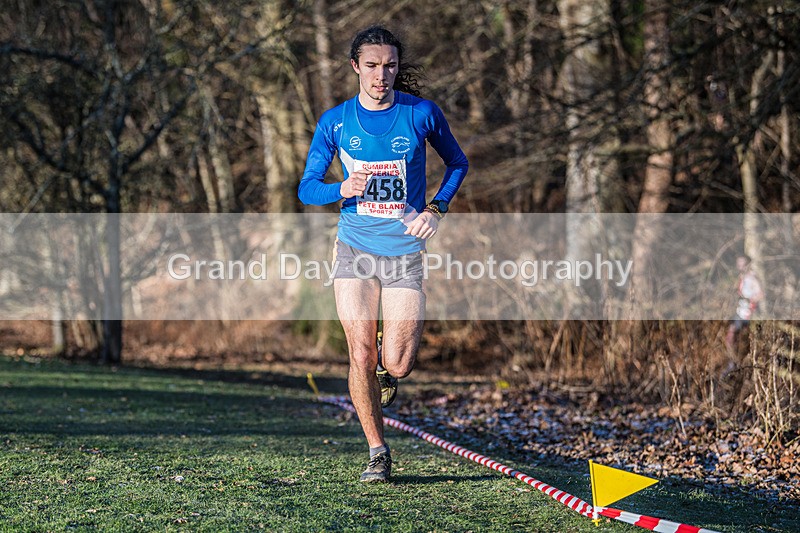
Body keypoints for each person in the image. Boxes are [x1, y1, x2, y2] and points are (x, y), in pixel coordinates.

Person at [298, 25, 468, 483]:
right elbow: (307, 188)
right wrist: (341, 188)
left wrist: (436, 208)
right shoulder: (335, 121)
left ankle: (384, 362)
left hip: (405, 252)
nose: (381, 75)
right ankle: (378, 451)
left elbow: (458, 163)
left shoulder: (421, 114)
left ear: (397, 67)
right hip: (354, 246)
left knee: (398, 363)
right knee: (358, 355)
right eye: (372, 66)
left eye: (389, 65)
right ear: (356, 67)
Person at [725, 255, 764, 353]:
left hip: (748, 314)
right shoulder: (742, 277)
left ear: (749, 264)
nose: (741, 267)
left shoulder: (753, 278)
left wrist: (750, 300)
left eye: (744, 264)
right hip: (740, 312)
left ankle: (735, 362)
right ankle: (733, 362)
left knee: (737, 335)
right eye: (739, 264)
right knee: (732, 336)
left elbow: (761, 294)